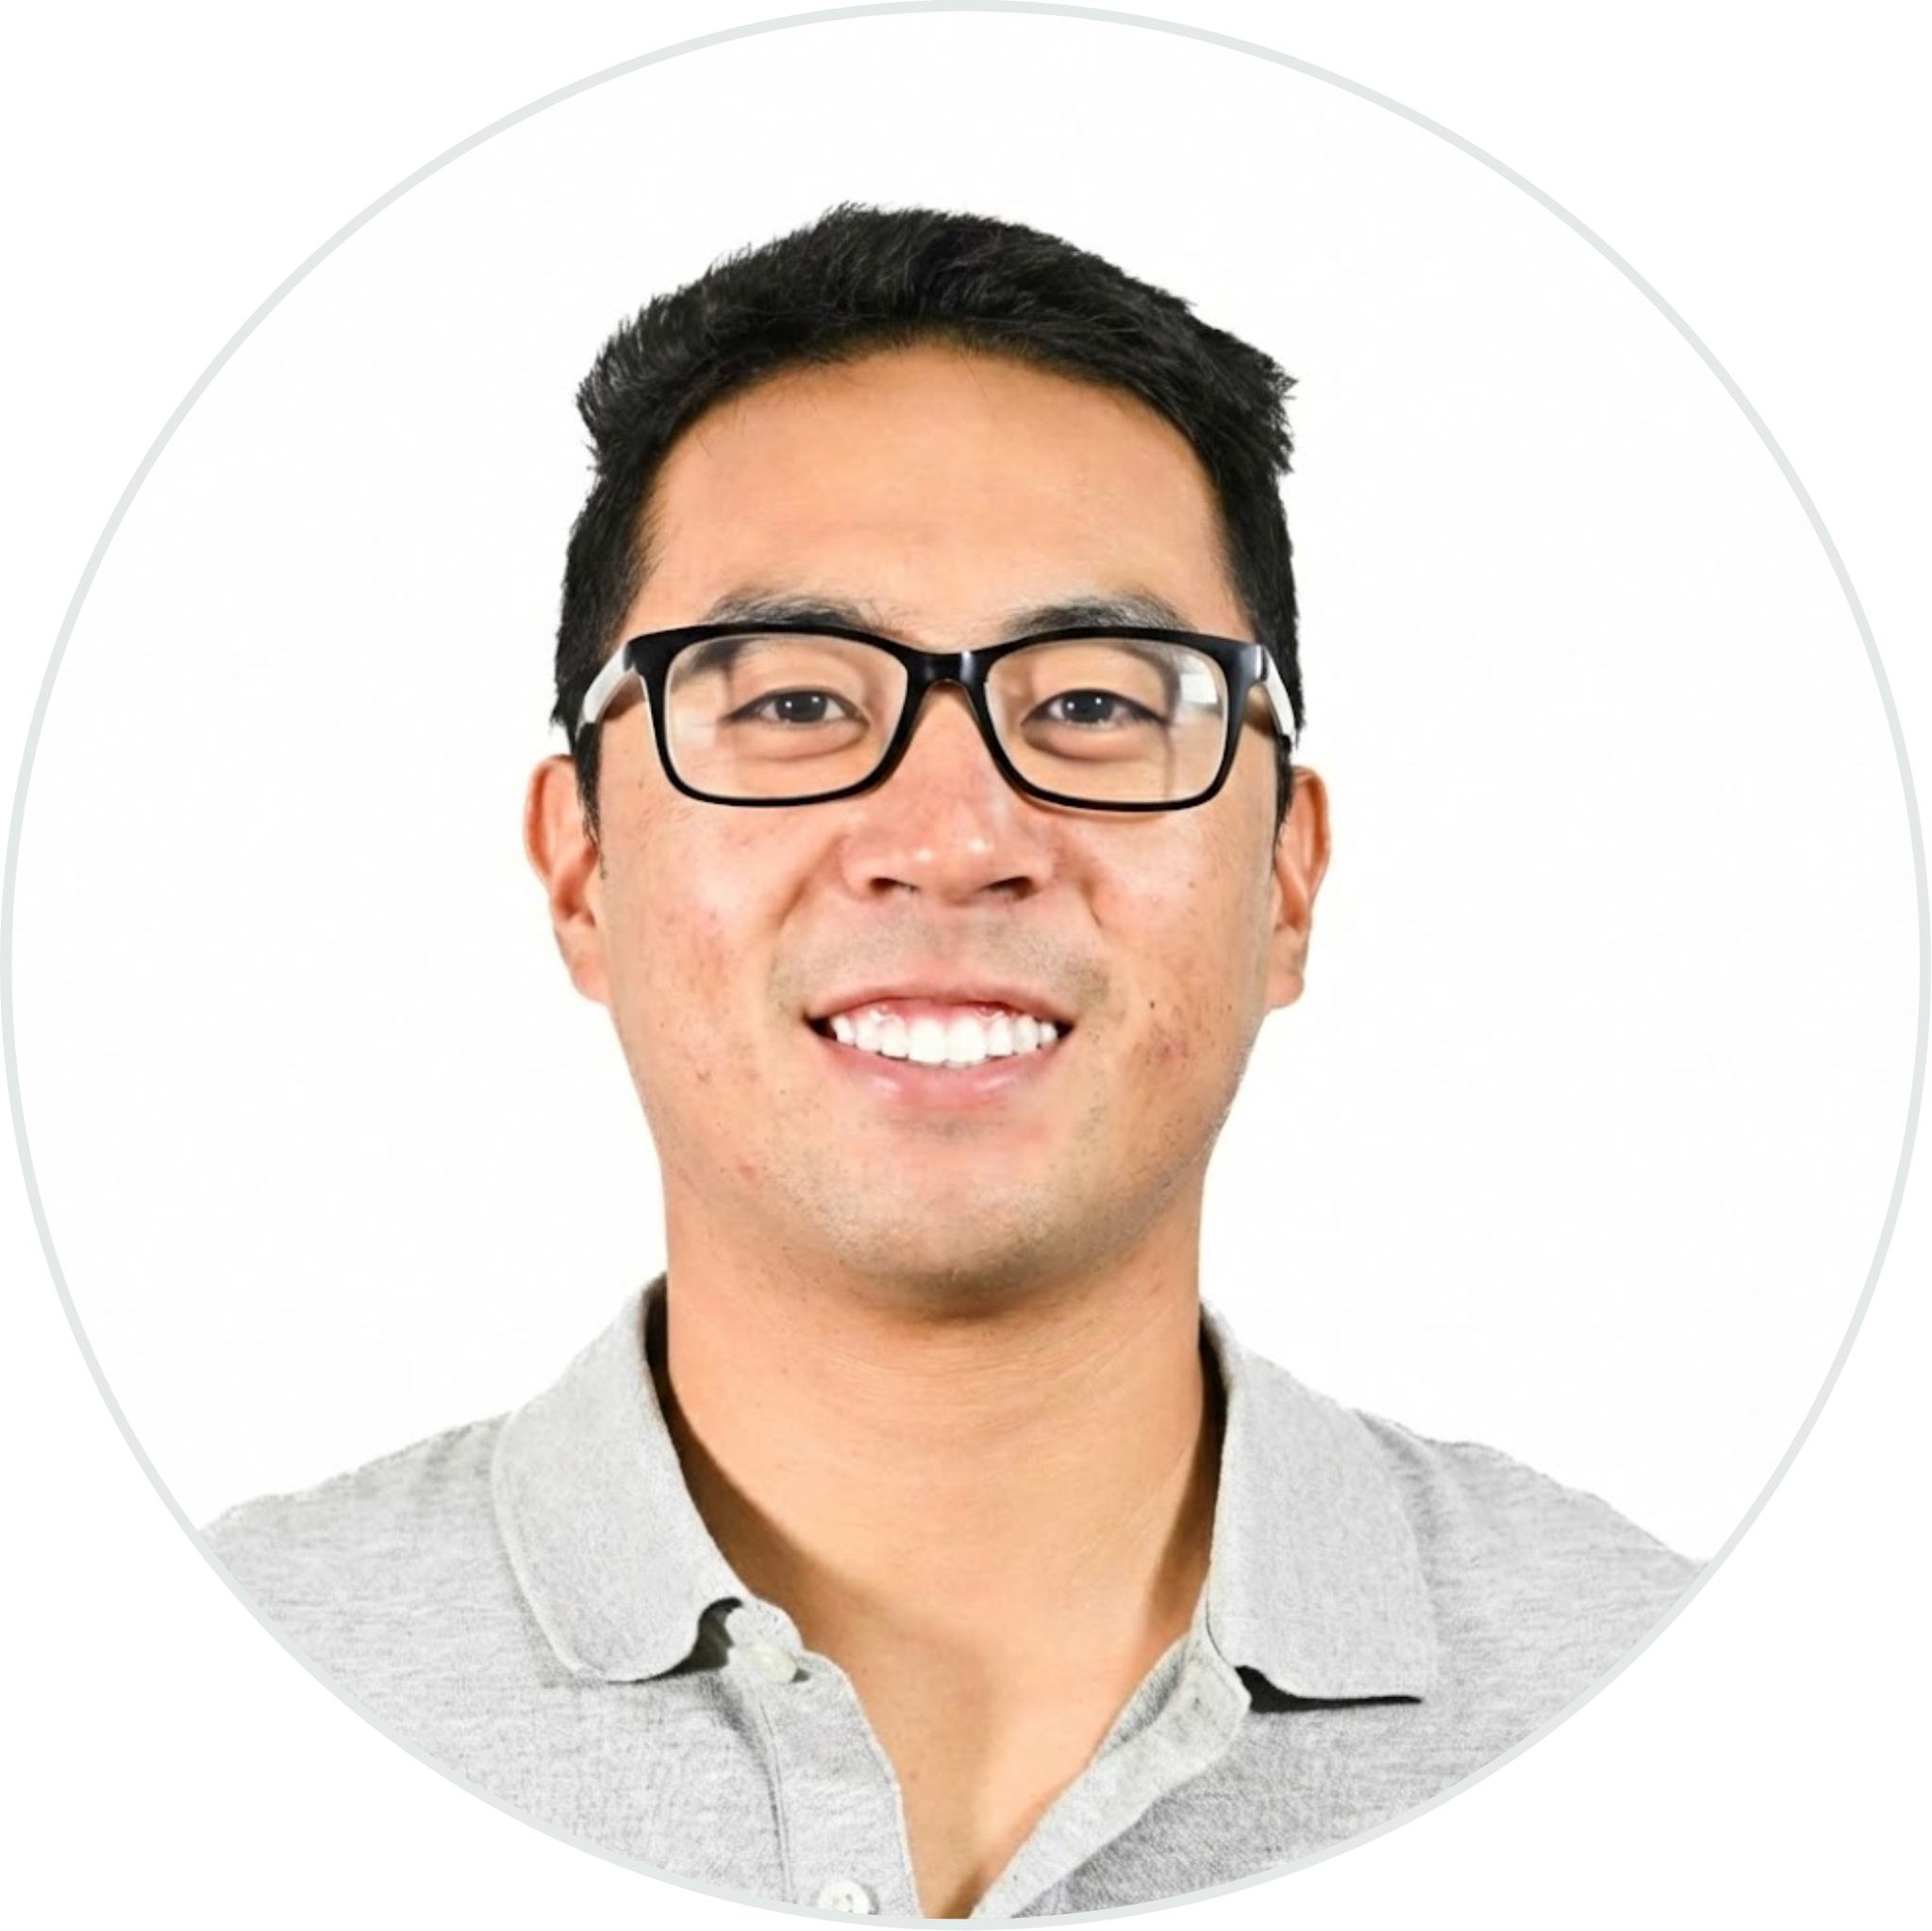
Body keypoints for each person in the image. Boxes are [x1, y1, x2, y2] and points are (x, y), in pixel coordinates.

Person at [207, 205, 1698, 1920]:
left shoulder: (1679, 1707)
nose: (954, 838)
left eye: (1095, 705)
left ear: (1286, 880)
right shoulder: (198, 1696)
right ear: (582, 874)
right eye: (791, 703)